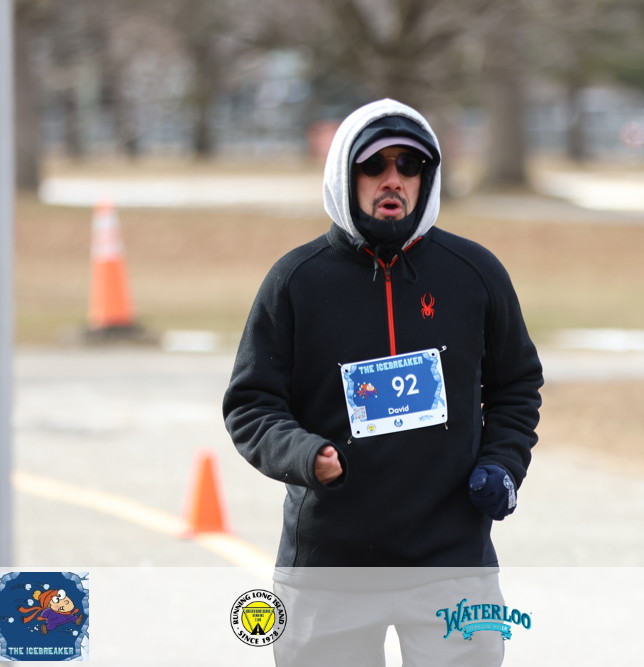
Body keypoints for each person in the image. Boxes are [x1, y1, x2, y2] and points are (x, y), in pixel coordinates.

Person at [223, 98, 543, 665]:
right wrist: (305, 455)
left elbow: (516, 387)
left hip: (451, 559)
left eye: (409, 165)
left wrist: (503, 465)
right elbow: (251, 404)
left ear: (427, 178)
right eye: (374, 165)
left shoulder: (475, 274)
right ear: (344, 176)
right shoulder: (296, 281)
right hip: (329, 565)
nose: (392, 180)